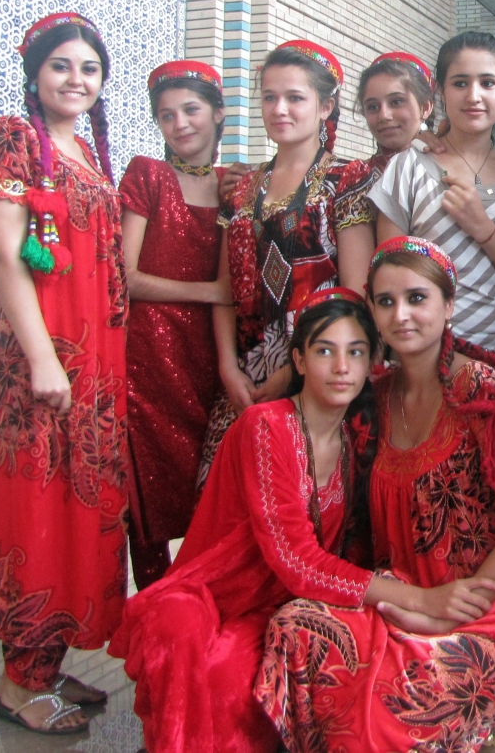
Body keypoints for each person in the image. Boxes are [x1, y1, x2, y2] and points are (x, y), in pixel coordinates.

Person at [255, 236, 495, 753]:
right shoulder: (373, 395)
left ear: (448, 305)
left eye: (417, 298)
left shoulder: (480, 389)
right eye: (385, 301)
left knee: (389, 711)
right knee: (295, 629)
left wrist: (448, 612)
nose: (401, 315)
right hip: (405, 595)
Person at [110, 289, 379, 753]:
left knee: (232, 678)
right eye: (324, 351)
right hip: (209, 597)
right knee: (179, 632)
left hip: (276, 608)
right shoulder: (265, 425)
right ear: (297, 360)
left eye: (355, 352)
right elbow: (297, 560)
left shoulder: (357, 447)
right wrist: (410, 596)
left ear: (372, 363)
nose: (341, 367)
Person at [0, 12, 126, 735]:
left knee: (77, 509)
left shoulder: (85, 150)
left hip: (95, 368)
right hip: (40, 365)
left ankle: (46, 664)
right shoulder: (12, 138)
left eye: (89, 69)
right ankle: (17, 683)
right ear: (34, 74)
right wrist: (41, 359)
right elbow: (5, 258)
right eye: (62, 66)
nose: (76, 80)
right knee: (33, 505)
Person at [200, 40, 376, 478]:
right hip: (243, 376)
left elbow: (354, 290)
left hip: (316, 370)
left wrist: (289, 373)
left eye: (295, 97)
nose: (280, 109)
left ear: (325, 106)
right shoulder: (242, 186)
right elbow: (225, 289)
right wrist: (227, 369)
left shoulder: (346, 178)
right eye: (270, 97)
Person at [368, 31, 495, 377]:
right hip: (420, 363)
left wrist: (484, 228)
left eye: (488, 83)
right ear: (440, 91)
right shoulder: (407, 167)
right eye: (460, 83)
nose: (474, 96)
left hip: (494, 362)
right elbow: (386, 273)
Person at [119, 59, 230, 589]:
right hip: (150, 360)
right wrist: (210, 293)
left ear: (218, 112)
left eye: (191, 109)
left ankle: (199, 608)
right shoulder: (148, 174)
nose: (180, 123)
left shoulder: (238, 185)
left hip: (214, 357)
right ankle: (154, 616)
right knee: (150, 498)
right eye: (166, 115)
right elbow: (128, 277)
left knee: (211, 491)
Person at [356, 50, 436, 180]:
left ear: (425, 107)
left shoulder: (449, 169)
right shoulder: (353, 178)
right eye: (373, 107)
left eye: (396, 102)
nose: (384, 115)